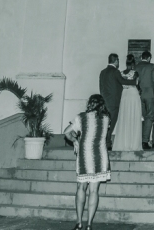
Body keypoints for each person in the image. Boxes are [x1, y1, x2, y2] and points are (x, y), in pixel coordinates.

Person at [63, 94, 111, 230]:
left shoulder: (81, 117)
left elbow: (66, 132)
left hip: (85, 155)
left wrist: (75, 141)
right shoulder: (107, 118)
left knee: (81, 188)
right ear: (102, 105)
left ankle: (79, 223)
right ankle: (89, 224)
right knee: (94, 191)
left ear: (90, 103)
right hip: (100, 156)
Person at [99, 53, 136, 149]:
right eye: (118, 60)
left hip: (105, 101)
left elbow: (101, 87)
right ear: (116, 61)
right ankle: (107, 143)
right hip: (114, 102)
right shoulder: (115, 71)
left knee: (106, 123)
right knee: (111, 124)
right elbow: (122, 81)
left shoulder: (102, 72)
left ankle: (104, 142)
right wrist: (134, 81)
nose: (118, 62)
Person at [112, 54, 143, 151]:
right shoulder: (135, 73)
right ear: (133, 63)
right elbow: (137, 84)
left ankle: (124, 142)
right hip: (133, 95)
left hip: (124, 95)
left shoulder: (121, 73)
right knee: (134, 117)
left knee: (124, 117)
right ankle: (133, 143)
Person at [133, 51, 154, 149]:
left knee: (141, 117)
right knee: (149, 117)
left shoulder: (136, 67)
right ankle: (145, 140)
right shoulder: (151, 66)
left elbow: (135, 81)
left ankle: (139, 140)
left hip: (139, 94)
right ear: (149, 58)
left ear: (141, 57)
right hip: (149, 95)